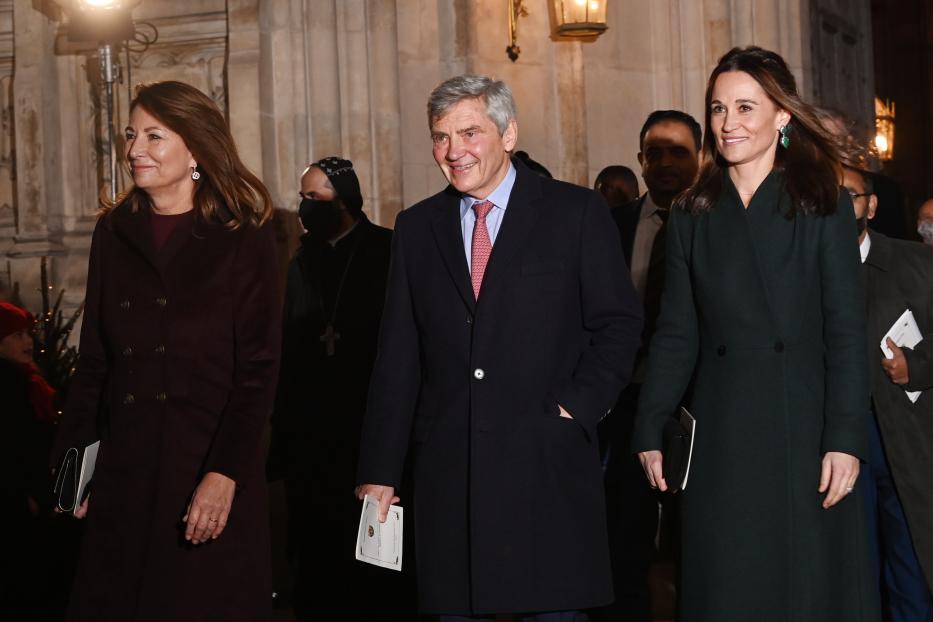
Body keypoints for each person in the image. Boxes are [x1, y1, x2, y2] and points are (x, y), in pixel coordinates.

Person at [356, 74, 643, 620]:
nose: (453, 151)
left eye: (469, 132)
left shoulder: (575, 213)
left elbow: (619, 324)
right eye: (441, 137)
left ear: (508, 133)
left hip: (545, 468)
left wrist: (577, 405)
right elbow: (398, 358)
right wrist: (380, 469)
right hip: (451, 478)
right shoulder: (416, 229)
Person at [632, 47, 879, 621]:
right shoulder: (692, 213)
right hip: (720, 432)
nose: (728, 123)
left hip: (804, 428)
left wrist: (844, 438)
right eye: (718, 109)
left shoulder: (823, 206)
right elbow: (676, 333)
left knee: (803, 587)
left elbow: (846, 333)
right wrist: (649, 422)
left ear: (782, 117)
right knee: (728, 586)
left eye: (746, 107)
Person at [51, 81, 281, 622]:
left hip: (207, 475)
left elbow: (258, 371)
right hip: (124, 479)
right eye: (132, 135)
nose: (135, 150)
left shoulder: (242, 237)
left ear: (196, 148)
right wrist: (73, 458)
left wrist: (225, 473)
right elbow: (94, 362)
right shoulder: (114, 232)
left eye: (155, 136)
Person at [266, 157, 408, 620]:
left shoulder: (387, 251)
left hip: (368, 429)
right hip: (312, 437)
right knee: (315, 559)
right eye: (303, 198)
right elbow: (290, 343)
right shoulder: (303, 261)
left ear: (344, 200)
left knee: (374, 565)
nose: (305, 207)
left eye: (314, 198)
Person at [600, 109, 701, 622]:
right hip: (623, 405)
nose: (664, 163)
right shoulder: (608, 226)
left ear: (701, 158)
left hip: (696, 407)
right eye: (653, 153)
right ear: (639, 161)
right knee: (624, 537)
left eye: (677, 151)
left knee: (696, 539)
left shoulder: (718, 222)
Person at [846, 165, 933, 620]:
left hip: (904, 436)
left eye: (852, 196)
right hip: (837, 439)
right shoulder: (800, 270)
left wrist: (914, 367)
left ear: (872, 205)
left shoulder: (917, 263)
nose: (842, 205)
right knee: (851, 565)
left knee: (909, 564)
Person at [0, 302, 59, 617]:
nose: (29, 342)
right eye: (18, 334)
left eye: (29, 334)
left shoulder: (29, 382)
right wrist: (25, 497)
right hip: (15, 508)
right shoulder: (9, 386)